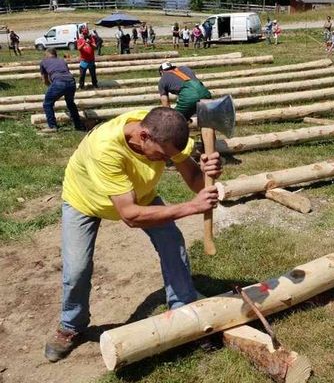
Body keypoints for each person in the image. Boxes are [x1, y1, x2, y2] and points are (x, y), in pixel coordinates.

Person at [43, 106, 223, 362]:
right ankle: (71, 325)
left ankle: (184, 312)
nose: (165, 162)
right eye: (162, 156)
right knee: (77, 269)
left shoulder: (167, 132)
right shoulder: (106, 148)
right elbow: (130, 215)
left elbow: (195, 180)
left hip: (140, 195)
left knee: (173, 243)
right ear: (143, 136)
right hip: (84, 199)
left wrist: (209, 172)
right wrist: (192, 206)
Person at [39, 48, 86, 133]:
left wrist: (51, 86)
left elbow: (44, 80)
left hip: (59, 82)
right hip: (71, 82)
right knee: (70, 103)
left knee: (47, 104)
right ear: (55, 54)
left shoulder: (43, 62)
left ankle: (52, 126)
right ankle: (78, 125)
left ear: (47, 55)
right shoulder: (62, 60)